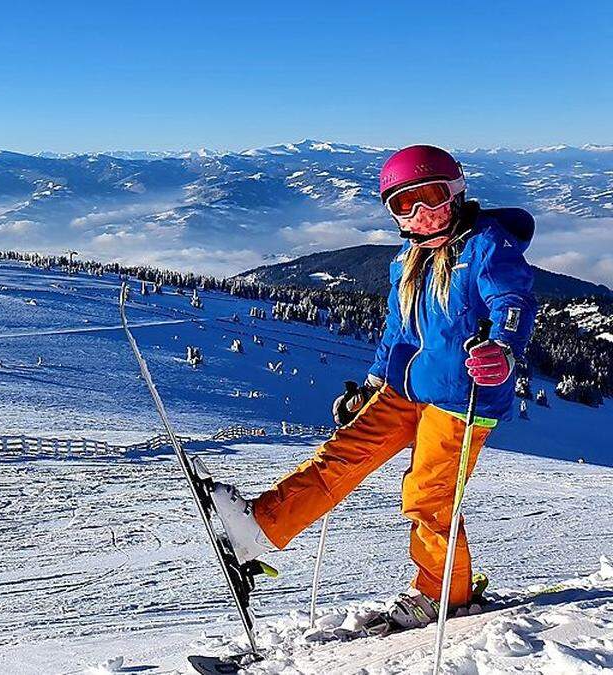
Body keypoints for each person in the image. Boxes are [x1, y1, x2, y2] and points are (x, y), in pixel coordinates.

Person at [209, 145, 537, 628]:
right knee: (343, 454)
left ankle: (442, 593)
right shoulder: (407, 261)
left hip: (461, 398)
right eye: (405, 204)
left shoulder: (485, 245)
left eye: (431, 197)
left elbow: (513, 299)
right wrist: (372, 383)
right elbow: (396, 331)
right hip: (404, 390)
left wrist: (503, 348)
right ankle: (259, 528)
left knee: (430, 494)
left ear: (458, 192)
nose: (422, 214)